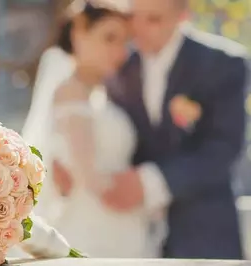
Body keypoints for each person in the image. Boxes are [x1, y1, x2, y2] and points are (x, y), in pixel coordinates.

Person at [55, 0, 248, 259]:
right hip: (124, 232)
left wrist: (150, 183)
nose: (139, 29)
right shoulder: (117, 65)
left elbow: (223, 149)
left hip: (203, 234)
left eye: (154, 19)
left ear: (182, 15)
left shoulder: (222, 64)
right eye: (134, 17)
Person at [29, 0, 164, 258]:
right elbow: (88, 175)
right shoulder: (71, 92)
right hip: (95, 227)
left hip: (118, 225)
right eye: (109, 38)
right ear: (79, 32)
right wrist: (144, 193)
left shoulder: (104, 95)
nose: (120, 51)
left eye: (125, 41)